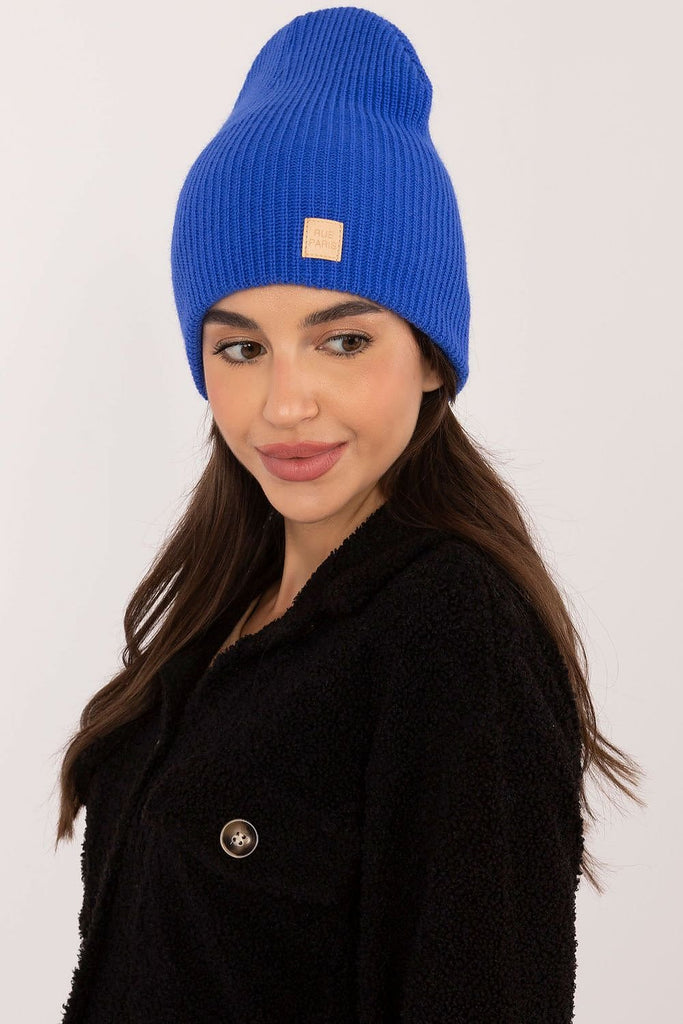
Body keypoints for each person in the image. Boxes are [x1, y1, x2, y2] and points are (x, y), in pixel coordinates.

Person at [55, 8, 644, 1022]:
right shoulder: (219, 611)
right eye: (242, 348)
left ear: (429, 356)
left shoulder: (452, 630)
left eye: (342, 341)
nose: (285, 404)